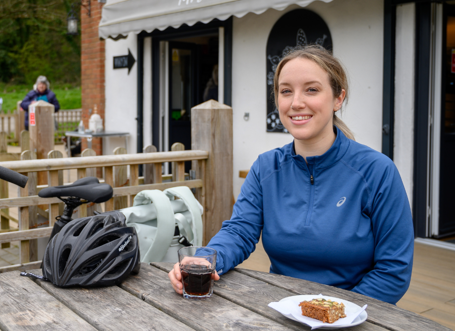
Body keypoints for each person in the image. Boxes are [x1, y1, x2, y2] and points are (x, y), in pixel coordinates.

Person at [168, 45, 414, 304]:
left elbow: (393, 270)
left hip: (352, 314)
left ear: (338, 98)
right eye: (286, 91)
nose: (296, 103)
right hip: (281, 309)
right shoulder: (266, 167)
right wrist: (204, 260)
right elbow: (240, 231)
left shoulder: (377, 171)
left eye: (312, 89)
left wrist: (336, 313)